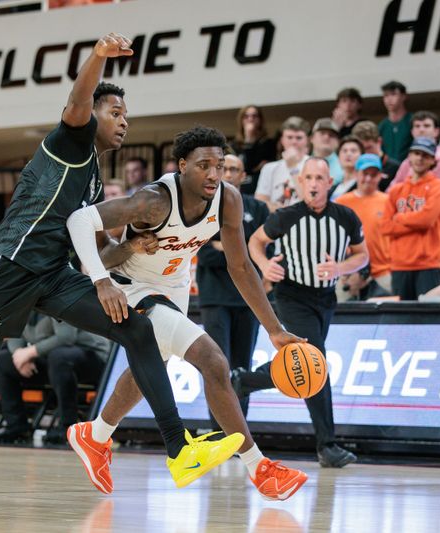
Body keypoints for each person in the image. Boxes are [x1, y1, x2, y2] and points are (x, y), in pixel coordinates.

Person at [0, 33, 244, 500]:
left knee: (137, 329)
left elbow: (98, 253)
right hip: (6, 268)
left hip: (52, 276)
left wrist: (128, 251)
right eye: (116, 113)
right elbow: (77, 97)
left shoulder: (93, 180)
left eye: (127, 115)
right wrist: (98, 57)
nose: (124, 122)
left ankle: (178, 449)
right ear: (94, 116)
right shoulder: (70, 143)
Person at [66, 126, 307, 499]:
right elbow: (79, 221)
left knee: (150, 368)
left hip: (174, 284)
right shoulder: (154, 201)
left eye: (220, 165)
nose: (214, 174)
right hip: (130, 286)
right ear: (182, 166)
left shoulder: (228, 199)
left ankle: (94, 435)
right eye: (204, 165)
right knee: (213, 361)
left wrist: (274, 329)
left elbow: (241, 267)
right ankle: (259, 467)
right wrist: (101, 281)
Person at [231, 157, 369, 468]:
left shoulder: (346, 217)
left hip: (326, 299)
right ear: (300, 183)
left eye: (320, 177)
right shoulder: (286, 216)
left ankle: (247, 381)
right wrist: (265, 265)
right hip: (292, 296)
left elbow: (362, 256)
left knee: (306, 363)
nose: (315, 183)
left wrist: (340, 267)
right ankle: (327, 445)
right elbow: (256, 241)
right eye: (309, 178)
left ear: (329, 183)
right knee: (314, 360)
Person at [196, 154, 269, 418]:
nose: (228, 174)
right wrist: (240, 250)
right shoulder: (201, 207)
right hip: (215, 298)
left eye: (234, 169)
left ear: (243, 175)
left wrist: (224, 246)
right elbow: (205, 254)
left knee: (243, 367)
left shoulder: (258, 209)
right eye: (223, 169)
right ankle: (218, 430)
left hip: (248, 299)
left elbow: (257, 253)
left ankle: (240, 432)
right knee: (216, 365)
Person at [0, 311, 110, 444]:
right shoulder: (21, 302)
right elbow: (14, 333)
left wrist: (30, 352)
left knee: (59, 357)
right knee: (2, 361)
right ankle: (17, 426)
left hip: (91, 356)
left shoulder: (57, 296)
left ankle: (68, 427)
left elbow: (66, 337)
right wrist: (19, 355)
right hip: (52, 358)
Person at [380, 138, 440, 300]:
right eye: (416, 153)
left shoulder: (438, 186)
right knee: (399, 319)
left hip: (427, 263)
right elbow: (385, 227)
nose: (420, 159)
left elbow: (427, 219)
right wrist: (415, 222)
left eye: (425, 155)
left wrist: (401, 217)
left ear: (433, 160)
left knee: (427, 318)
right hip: (399, 263)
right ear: (409, 156)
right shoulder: (397, 190)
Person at [336, 154, 392, 291]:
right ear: (356, 173)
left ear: (380, 176)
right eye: (364, 173)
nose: (368, 178)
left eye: (373, 175)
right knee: (337, 305)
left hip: (383, 270)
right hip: (349, 270)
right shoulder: (341, 203)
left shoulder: (389, 201)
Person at [387, 111, 440, 193]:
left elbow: (421, 191)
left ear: (436, 131)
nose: (421, 130)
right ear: (412, 132)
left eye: (426, 126)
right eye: (417, 126)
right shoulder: (408, 160)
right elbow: (392, 189)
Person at [254, 116, 311, 212]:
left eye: (299, 138)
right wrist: (281, 211)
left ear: (307, 141)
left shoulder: (315, 165)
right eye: (289, 137)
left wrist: (293, 167)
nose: (294, 142)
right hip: (275, 222)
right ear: (282, 140)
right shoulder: (269, 168)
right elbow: (260, 202)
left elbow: (309, 202)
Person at [230, 105, 277, 195]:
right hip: (240, 189)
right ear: (241, 120)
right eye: (246, 116)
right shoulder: (234, 145)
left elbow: (265, 167)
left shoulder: (268, 143)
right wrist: (248, 139)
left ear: (260, 120)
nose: (250, 119)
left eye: (254, 116)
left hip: (260, 188)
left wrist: (250, 139)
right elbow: (244, 168)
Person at [352, 120, 401, 190]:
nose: (365, 153)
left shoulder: (396, 168)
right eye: (361, 149)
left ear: (379, 142)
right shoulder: (353, 166)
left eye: (368, 148)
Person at [378, 81, 412, 162]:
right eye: (386, 95)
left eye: (393, 94)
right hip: (388, 170)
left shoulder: (413, 121)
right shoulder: (382, 126)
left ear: (403, 96)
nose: (389, 99)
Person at [329, 136, 364, 200]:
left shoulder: (363, 187)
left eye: (353, 151)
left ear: (362, 156)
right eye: (344, 151)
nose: (348, 154)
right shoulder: (331, 189)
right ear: (338, 157)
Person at [310, 118, 343, 184]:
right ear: (312, 138)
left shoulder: (344, 166)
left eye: (331, 135)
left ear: (338, 142)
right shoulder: (302, 162)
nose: (326, 137)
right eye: (322, 133)